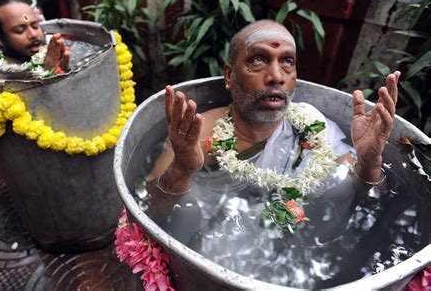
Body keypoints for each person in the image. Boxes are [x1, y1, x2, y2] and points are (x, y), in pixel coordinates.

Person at [143, 20, 400, 234]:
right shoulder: (203, 132)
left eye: (287, 61)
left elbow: (371, 202)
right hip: (218, 241)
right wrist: (182, 169)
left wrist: (369, 163)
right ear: (230, 76)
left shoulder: (312, 125)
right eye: (258, 59)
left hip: (294, 246)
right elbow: (149, 209)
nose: (276, 76)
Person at [0, 0, 69, 80]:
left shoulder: (53, 51)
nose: (33, 34)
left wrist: (63, 71)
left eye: (35, 26)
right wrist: (47, 72)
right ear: (0, 39)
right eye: (20, 30)